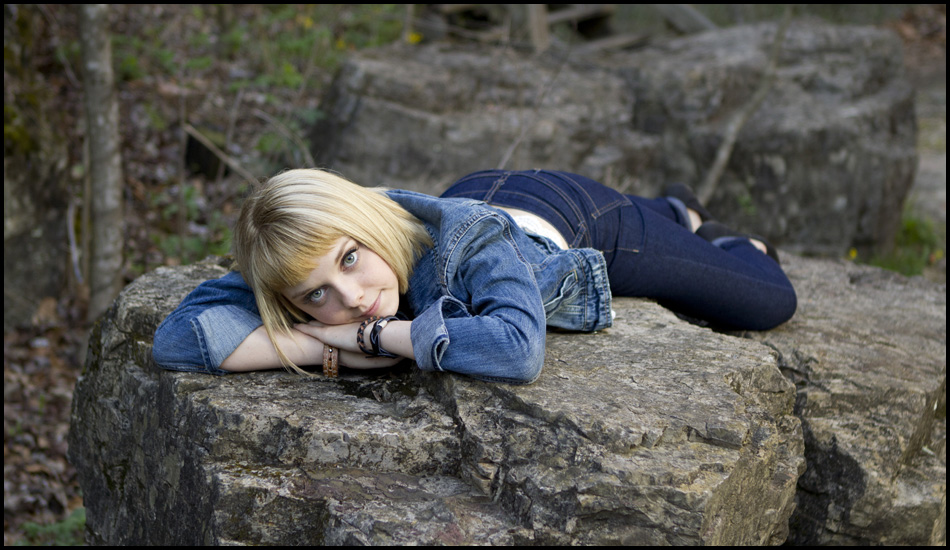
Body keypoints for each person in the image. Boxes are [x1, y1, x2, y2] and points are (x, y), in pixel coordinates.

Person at [153, 169, 796, 384]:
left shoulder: (470, 238)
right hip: (479, 189)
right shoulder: (303, 256)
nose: (350, 299)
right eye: (314, 295)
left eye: (351, 258)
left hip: (571, 215)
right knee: (674, 218)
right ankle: (674, 207)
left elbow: (517, 351)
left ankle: (708, 230)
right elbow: (176, 340)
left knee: (767, 296)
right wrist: (315, 344)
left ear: (366, 226)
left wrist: (377, 340)